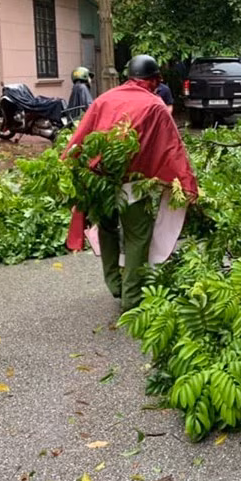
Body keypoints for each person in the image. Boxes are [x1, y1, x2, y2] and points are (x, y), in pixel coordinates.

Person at [64, 54, 198, 312]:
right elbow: (171, 149)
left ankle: (115, 284)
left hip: (96, 182)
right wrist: (187, 183)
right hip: (131, 186)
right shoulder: (155, 105)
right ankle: (132, 297)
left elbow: (79, 139)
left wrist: (71, 173)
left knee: (107, 229)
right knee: (138, 236)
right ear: (154, 79)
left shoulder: (104, 99)